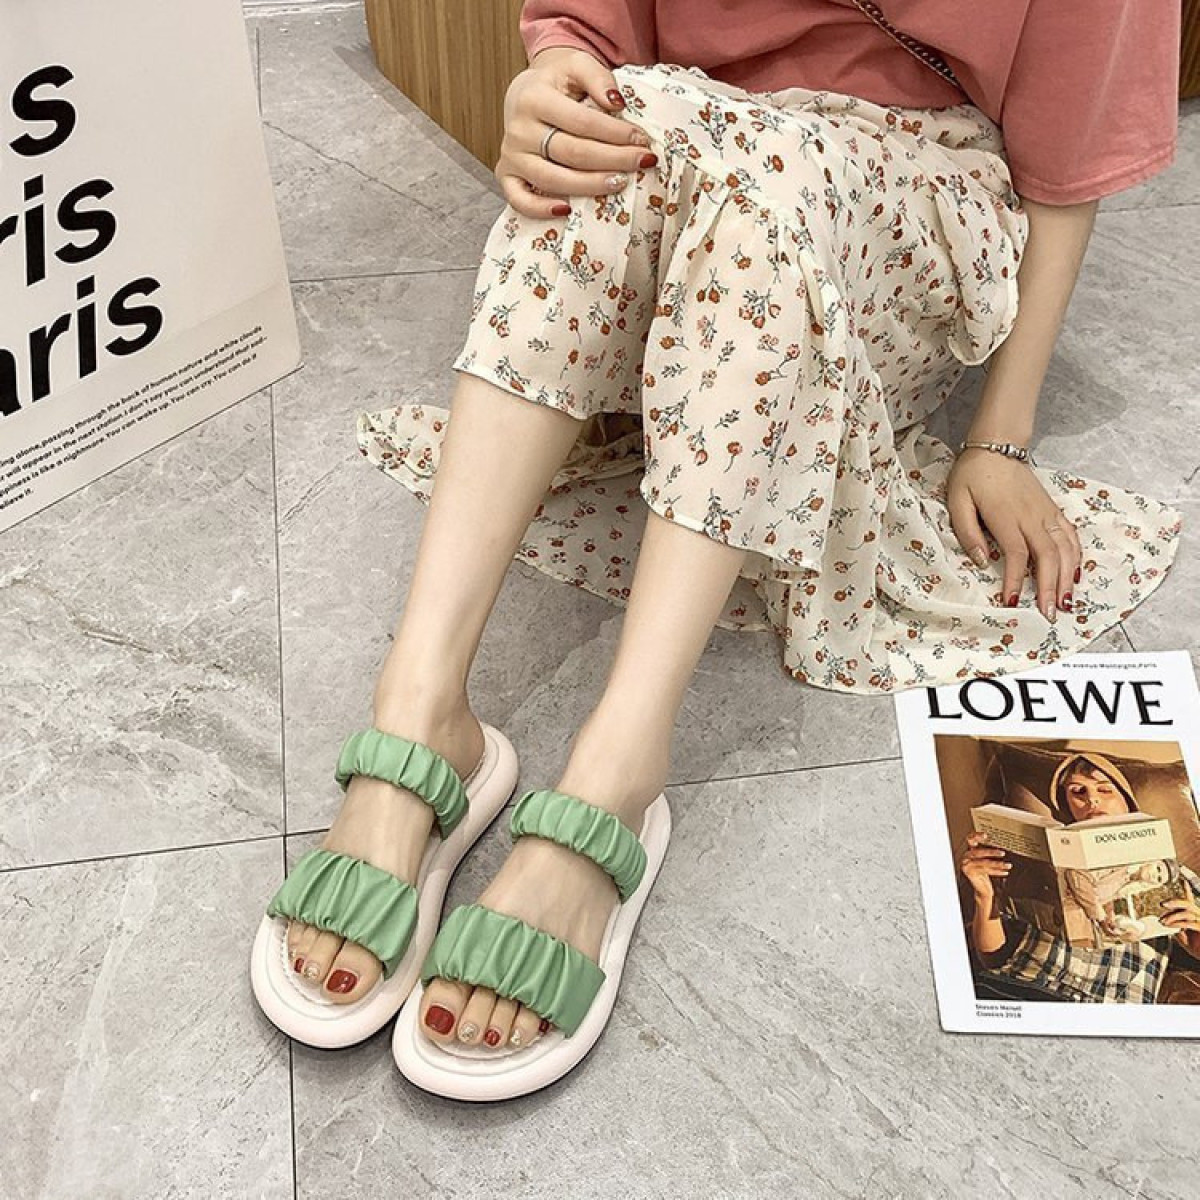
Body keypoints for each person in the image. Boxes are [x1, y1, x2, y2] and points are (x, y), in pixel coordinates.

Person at [269, 2, 1187, 1068]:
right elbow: (593, 29)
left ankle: (618, 764)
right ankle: (421, 708)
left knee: (747, 170)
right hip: (688, 174)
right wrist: (555, 79)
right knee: (626, 132)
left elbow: (1065, 169)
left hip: (900, 215)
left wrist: (1001, 438)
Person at [961, 752, 1200, 1003]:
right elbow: (992, 958)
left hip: (1108, 1008)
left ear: (1128, 803)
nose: (1092, 799)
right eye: (1078, 792)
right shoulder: (1030, 862)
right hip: (1025, 988)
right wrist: (984, 896)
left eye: (1105, 789)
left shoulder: (1171, 870)